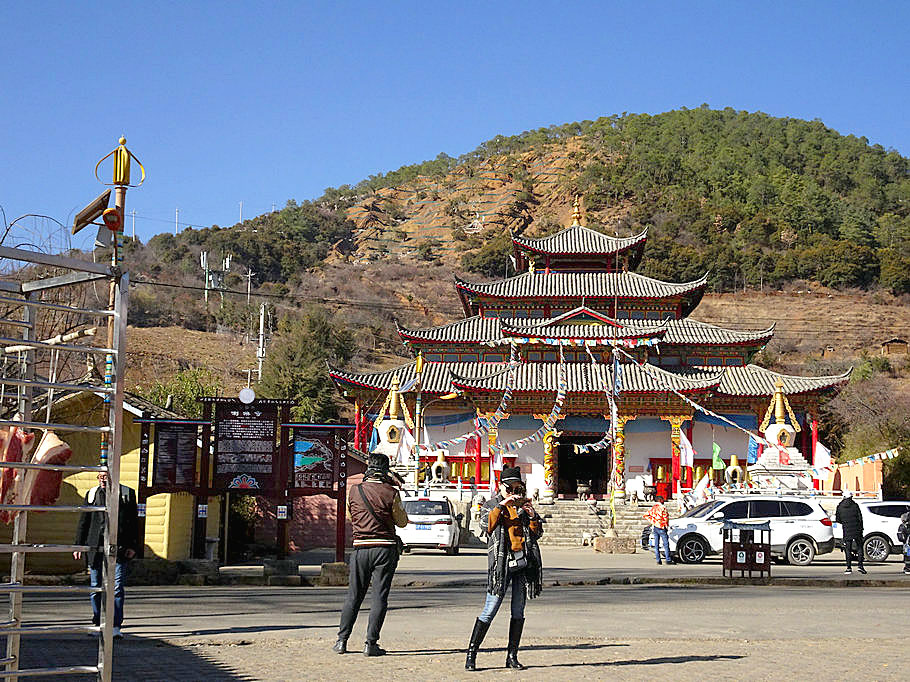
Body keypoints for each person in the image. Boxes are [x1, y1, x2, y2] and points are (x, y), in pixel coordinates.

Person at [465, 466, 543, 671]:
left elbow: (536, 533)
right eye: (510, 488)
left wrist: (533, 516)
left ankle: (512, 656)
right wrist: (501, 505)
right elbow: (485, 526)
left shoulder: (522, 507)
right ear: (501, 486)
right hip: (501, 565)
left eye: (518, 488)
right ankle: (471, 655)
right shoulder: (492, 504)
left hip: (523, 562)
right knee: (490, 609)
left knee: (518, 610)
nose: (514, 493)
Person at [334, 453, 408, 657]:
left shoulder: (354, 490)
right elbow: (402, 521)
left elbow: (351, 516)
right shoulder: (391, 492)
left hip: (360, 548)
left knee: (353, 595)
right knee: (379, 596)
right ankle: (370, 643)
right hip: (384, 549)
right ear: (386, 470)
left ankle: (342, 641)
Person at [73, 471, 140, 639]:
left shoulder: (126, 493)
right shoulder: (92, 494)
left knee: (116, 587)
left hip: (119, 547)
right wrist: (79, 545)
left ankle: (115, 625)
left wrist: (133, 546)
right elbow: (84, 521)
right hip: (95, 547)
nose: (102, 480)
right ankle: (98, 622)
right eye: (100, 476)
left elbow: (133, 521)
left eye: (106, 476)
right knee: (95, 586)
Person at [835, 490, 866, 575]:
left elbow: (838, 519)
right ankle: (860, 566)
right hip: (857, 529)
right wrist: (861, 528)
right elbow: (860, 518)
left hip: (846, 529)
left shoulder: (840, 506)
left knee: (847, 549)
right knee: (859, 547)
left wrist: (845, 523)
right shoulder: (855, 506)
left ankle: (848, 568)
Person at [644, 496, 673, 565]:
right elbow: (666, 517)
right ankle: (668, 559)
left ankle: (658, 560)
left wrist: (653, 521)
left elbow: (646, 515)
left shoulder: (653, 508)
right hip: (662, 526)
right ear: (660, 500)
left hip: (655, 526)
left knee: (656, 544)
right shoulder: (663, 508)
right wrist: (666, 525)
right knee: (665, 544)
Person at [897, 510, 910, 575]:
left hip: (907, 544)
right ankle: (907, 568)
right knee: (907, 554)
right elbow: (901, 537)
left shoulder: (903, 526)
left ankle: (907, 568)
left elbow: (901, 537)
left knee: (907, 555)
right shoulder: (904, 526)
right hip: (907, 544)